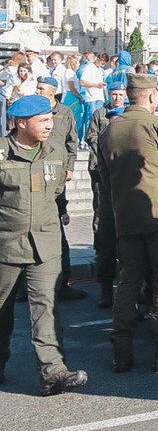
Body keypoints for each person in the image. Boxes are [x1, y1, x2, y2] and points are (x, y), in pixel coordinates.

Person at [98, 73, 158, 373]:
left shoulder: (109, 128)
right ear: (152, 96)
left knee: (127, 282)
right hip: (157, 217)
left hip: (125, 216)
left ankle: (122, 352)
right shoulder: (157, 124)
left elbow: (104, 177)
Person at [0, 95, 88, 395]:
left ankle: (53, 371)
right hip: (6, 245)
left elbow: (56, 192)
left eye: (51, 119)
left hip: (46, 244)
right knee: (2, 311)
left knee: (46, 308)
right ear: (21, 123)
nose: (50, 126)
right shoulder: (1, 153)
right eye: (43, 121)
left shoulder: (55, 151)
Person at [35, 77, 83, 302]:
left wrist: (70, 167)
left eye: (42, 88)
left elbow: (72, 143)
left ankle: (63, 284)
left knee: (58, 228)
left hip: (57, 178)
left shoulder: (64, 113)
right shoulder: (34, 110)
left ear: (53, 92)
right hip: (36, 176)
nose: (38, 91)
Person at [86, 80, 129, 308]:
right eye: (114, 93)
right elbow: (91, 137)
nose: (118, 97)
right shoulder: (100, 115)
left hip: (128, 195)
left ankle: (130, 292)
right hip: (107, 187)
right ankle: (105, 289)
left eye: (121, 94)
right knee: (106, 239)